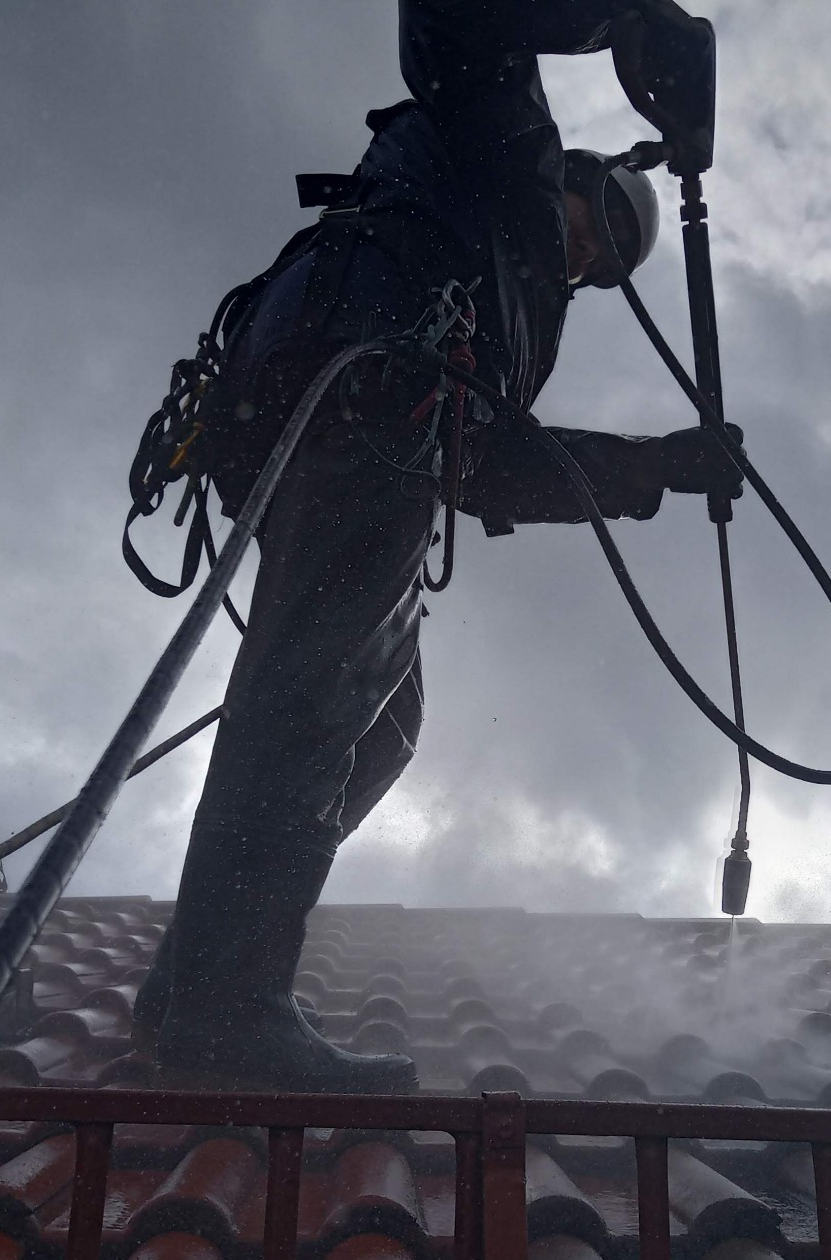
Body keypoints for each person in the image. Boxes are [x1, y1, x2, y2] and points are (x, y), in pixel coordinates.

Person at [133, 0, 740, 1092]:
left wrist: (654, 466)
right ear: (578, 181)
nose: (589, 257)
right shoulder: (499, 150)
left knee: (385, 720)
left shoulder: (519, 310)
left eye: (605, 265)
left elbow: (494, 465)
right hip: (355, 394)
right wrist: (622, 20)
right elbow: (458, 16)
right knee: (322, 685)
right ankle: (223, 1015)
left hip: (368, 435)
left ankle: (190, 979)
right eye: (597, 225)